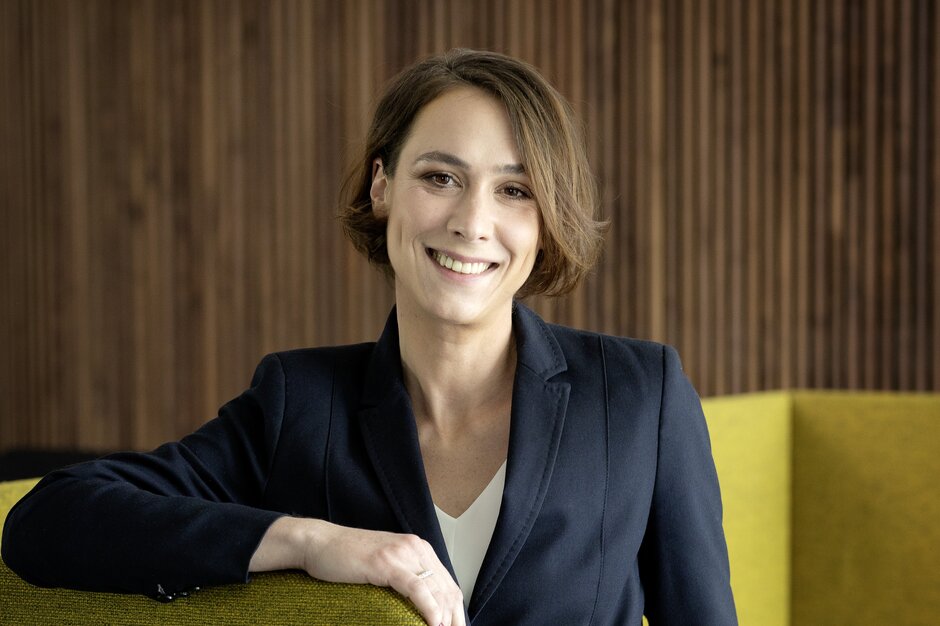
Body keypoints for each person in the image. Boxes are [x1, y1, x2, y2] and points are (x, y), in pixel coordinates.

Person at [2, 49, 737, 625]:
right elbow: (50, 519)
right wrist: (309, 541)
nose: (472, 222)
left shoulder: (641, 397)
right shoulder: (299, 403)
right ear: (382, 187)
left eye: (514, 190)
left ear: (543, 219)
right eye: (440, 177)